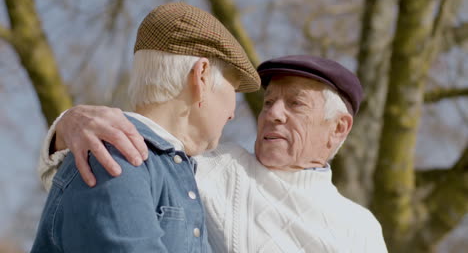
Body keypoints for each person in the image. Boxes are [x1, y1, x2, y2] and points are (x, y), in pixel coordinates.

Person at [38, 54, 388, 252]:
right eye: (268, 102)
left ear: (339, 127)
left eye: (295, 103)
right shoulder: (215, 167)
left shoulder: (361, 229)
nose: (273, 113)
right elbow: (116, 164)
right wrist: (68, 125)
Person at [30, 2, 261, 253]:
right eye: (233, 89)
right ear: (201, 76)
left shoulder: (169, 166)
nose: (233, 113)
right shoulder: (118, 156)